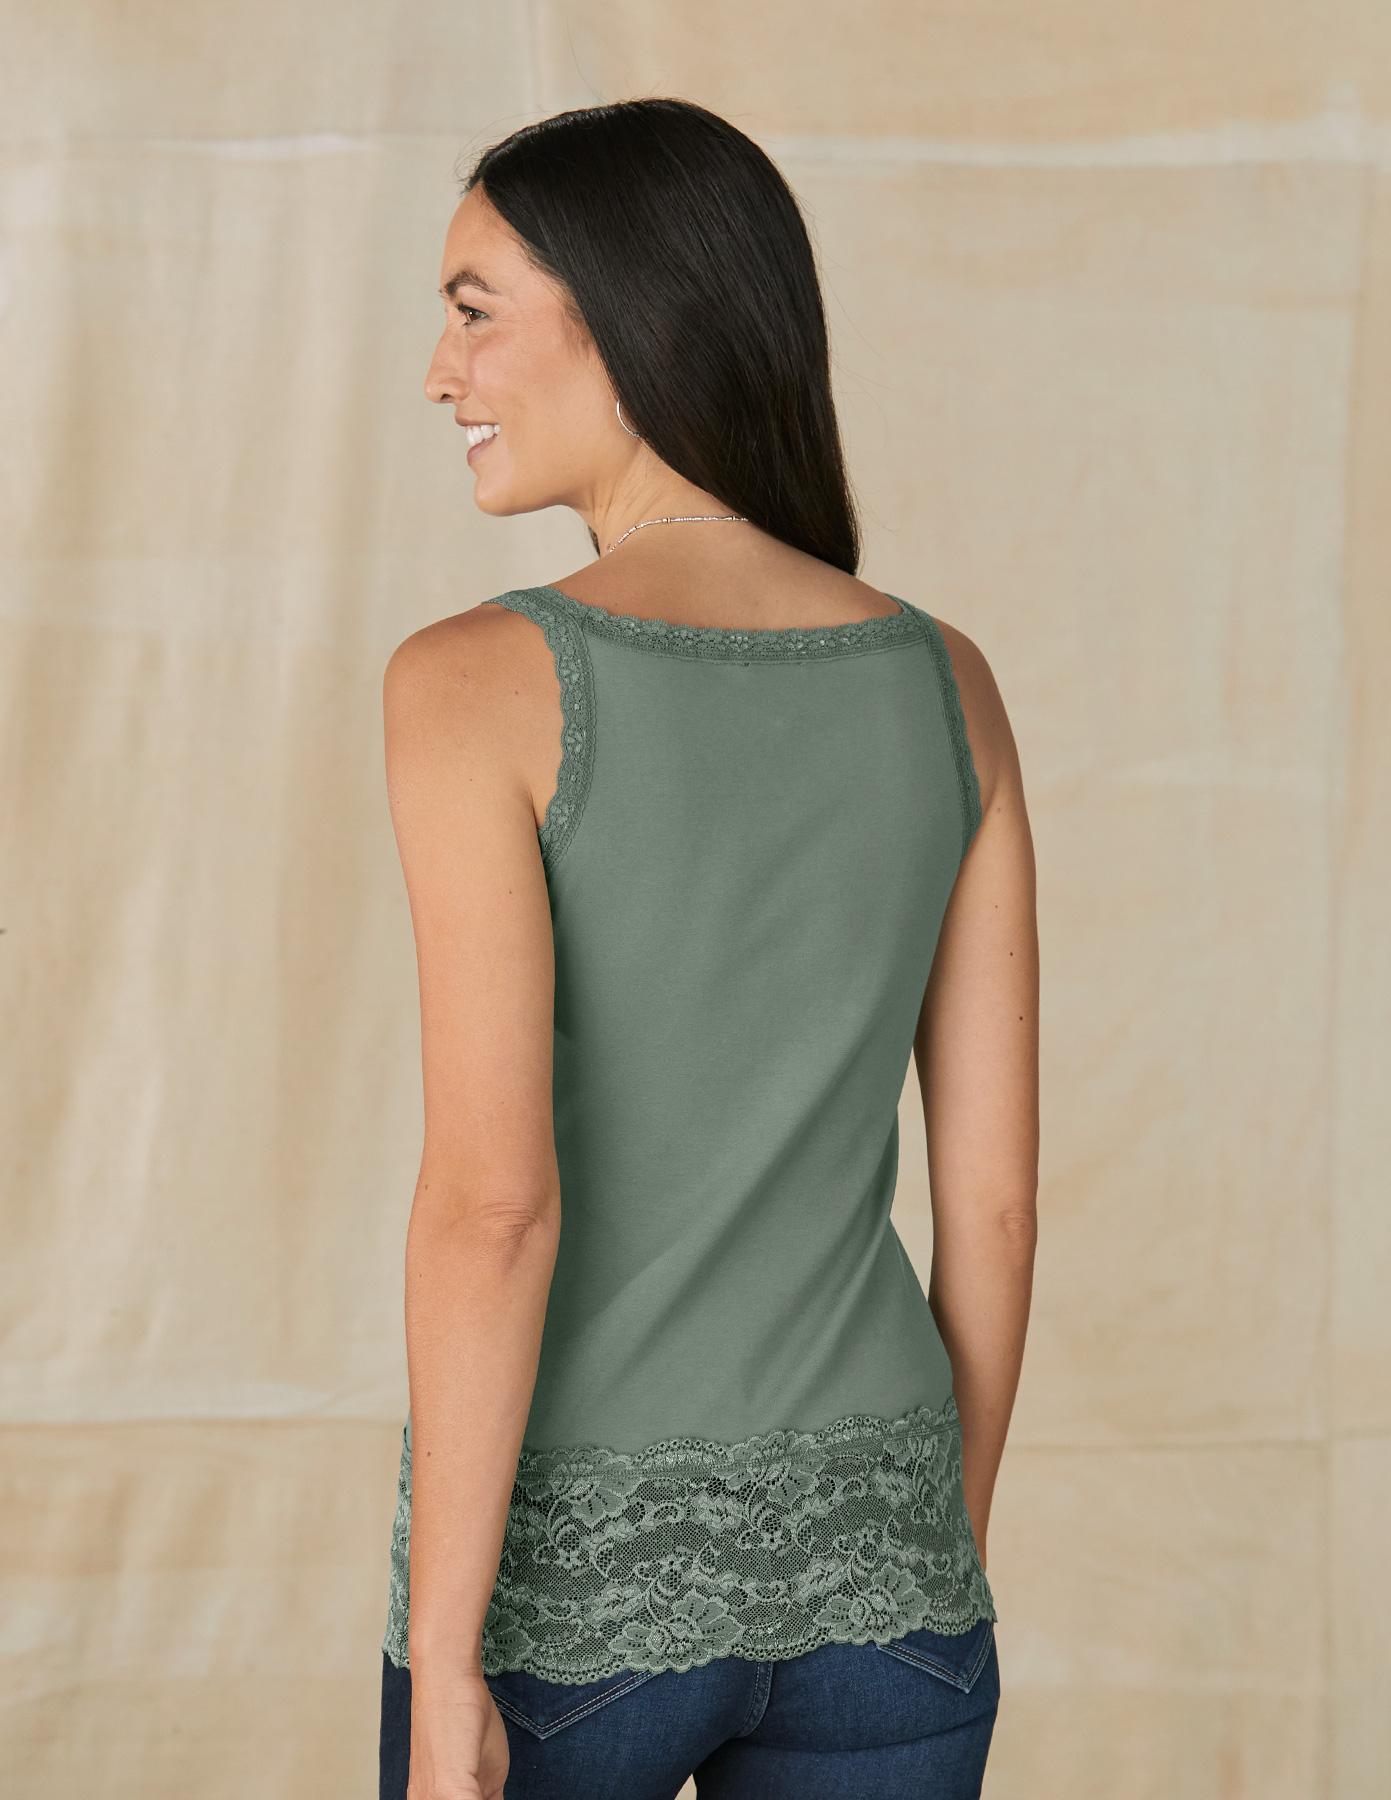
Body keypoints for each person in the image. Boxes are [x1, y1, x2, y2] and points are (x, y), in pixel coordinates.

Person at [379, 96, 1038, 1800]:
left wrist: (444, 1661)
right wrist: (926, 1557)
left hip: (568, 1605)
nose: (441, 374)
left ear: (629, 315)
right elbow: (990, 1209)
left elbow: (494, 1207)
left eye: (473, 311)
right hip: (890, 1577)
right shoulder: (948, 684)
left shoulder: (473, 686)